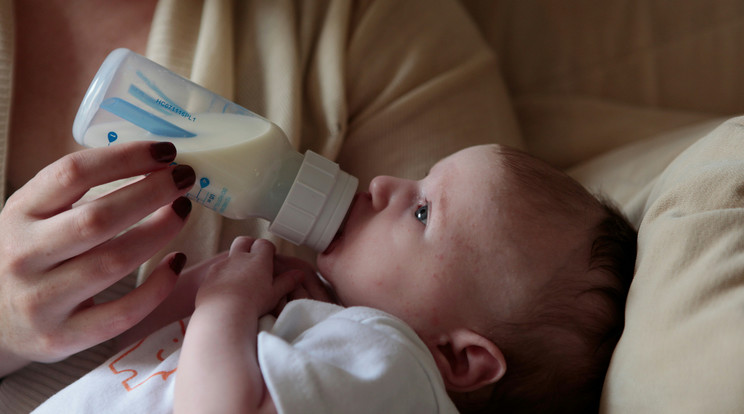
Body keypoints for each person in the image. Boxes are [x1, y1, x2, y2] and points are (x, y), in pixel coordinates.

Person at [31, 144, 638, 414]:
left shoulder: (392, 368)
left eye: (423, 211)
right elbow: (141, 364)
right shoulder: (338, 340)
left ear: (457, 357)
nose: (383, 186)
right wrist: (212, 292)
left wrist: (226, 304)